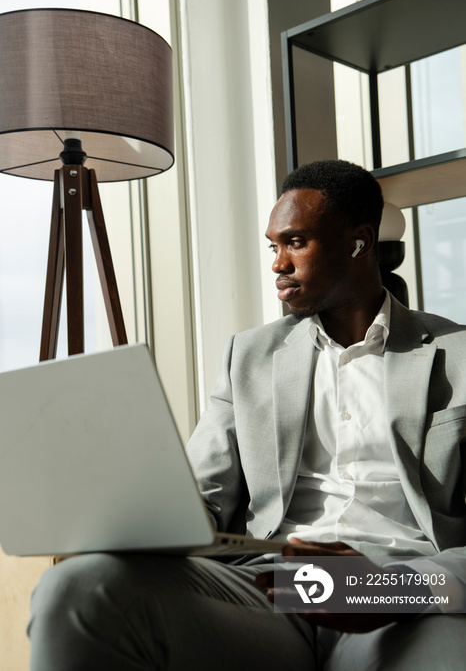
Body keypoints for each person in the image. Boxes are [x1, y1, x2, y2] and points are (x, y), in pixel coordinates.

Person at [29, 160, 466, 670]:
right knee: (77, 588)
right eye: (273, 246)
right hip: (270, 585)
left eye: (296, 242)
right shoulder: (249, 356)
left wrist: (393, 588)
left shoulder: (457, 353)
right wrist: (127, 512)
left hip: (401, 585)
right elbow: (200, 498)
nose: (278, 263)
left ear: (359, 243)